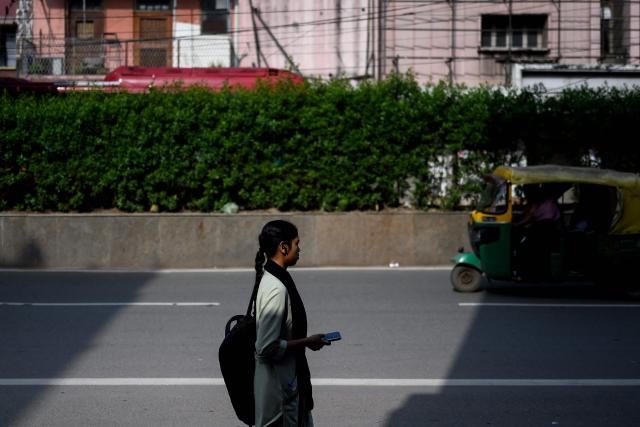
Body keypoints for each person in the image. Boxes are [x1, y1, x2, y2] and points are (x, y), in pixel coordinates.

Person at [253, 220, 330, 427]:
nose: (299, 249)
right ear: (283, 247)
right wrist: (307, 341)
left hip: (289, 384)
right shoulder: (276, 288)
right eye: (297, 243)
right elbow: (266, 346)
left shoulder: (274, 277)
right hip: (279, 392)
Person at [513, 185, 561, 279]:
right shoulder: (541, 202)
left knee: (525, 247)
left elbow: (530, 216)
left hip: (545, 228)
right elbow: (527, 214)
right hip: (544, 228)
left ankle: (528, 272)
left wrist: (518, 224)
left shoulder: (545, 202)